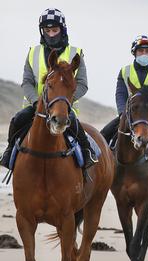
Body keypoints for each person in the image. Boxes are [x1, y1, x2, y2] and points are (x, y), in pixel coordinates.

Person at [1, 8, 96, 169]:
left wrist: (65, 101)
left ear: (62, 30)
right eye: (47, 30)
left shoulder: (75, 53)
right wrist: (36, 100)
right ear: (42, 31)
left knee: (76, 127)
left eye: (55, 30)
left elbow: (82, 84)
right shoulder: (33, 52)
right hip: (36, 106)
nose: (51, 34)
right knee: (17, 120)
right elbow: (27, 82)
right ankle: (9, 152)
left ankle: (87, 154)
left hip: (63, 107)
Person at [100, 35, 148, 169]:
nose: (144, 54)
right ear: (134, 53)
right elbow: (120, 94)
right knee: (106, 131)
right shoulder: (125, 71)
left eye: (147, 51)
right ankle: (100, 156)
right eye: (141, 51)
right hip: (130, 114)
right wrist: (123, 112)